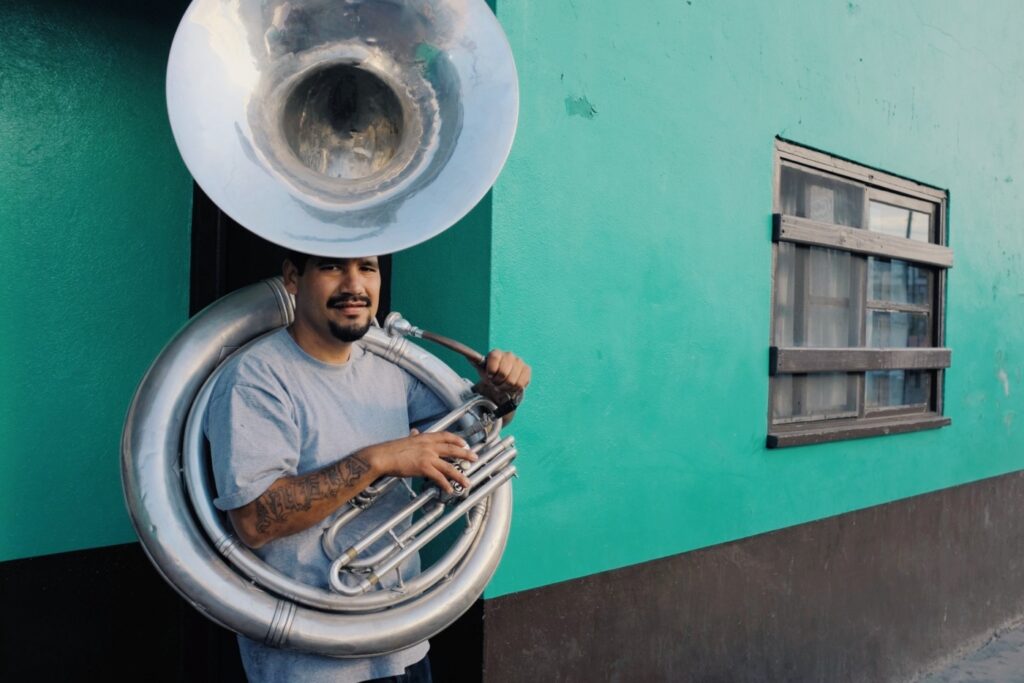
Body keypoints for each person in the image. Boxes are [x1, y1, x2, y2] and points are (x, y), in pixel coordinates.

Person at [203, 251, 530, 683]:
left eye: (367, 268)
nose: (354, 285)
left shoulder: (389, 366)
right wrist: (378, 460)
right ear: (292, 278)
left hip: (402, 643)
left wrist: (499, 396)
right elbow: (254, 520)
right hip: (311, 663)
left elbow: (470, 430)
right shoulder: (255, 378)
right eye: (332, 266)